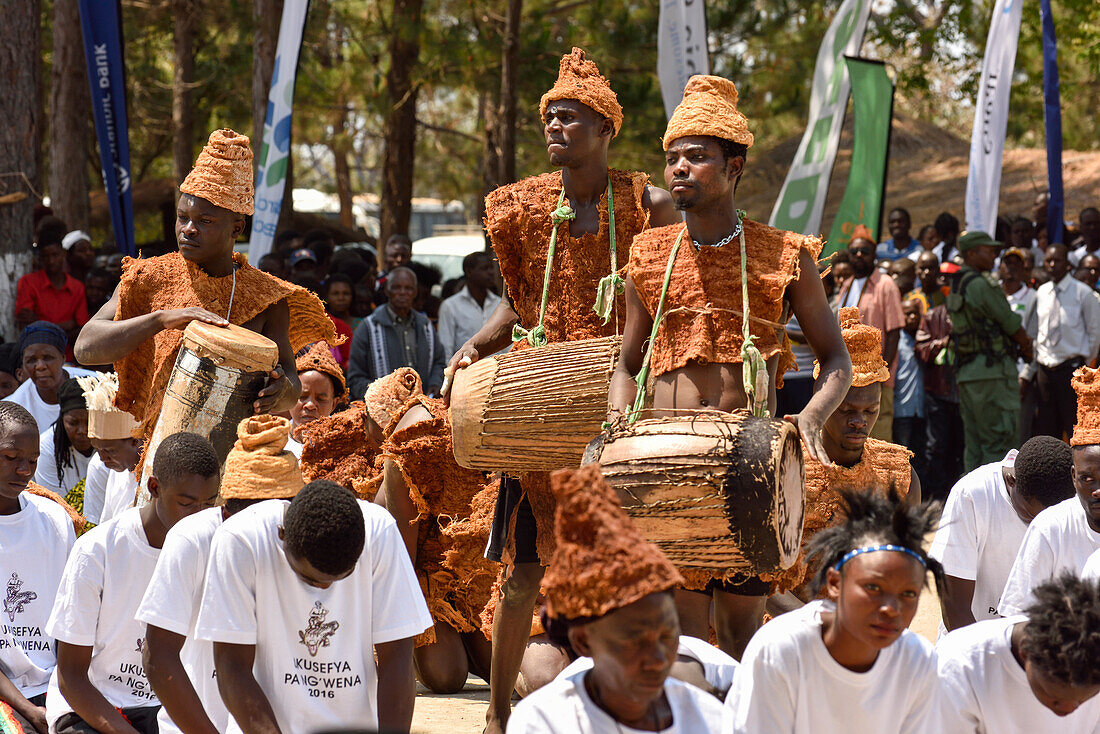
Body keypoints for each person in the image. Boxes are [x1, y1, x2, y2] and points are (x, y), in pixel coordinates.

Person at [445, 49, 680, 733]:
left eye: (569, 117)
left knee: (632, 560)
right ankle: (496, 716)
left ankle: (637, 698)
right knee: (522, 576)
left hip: (621, 405)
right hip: (541, 410)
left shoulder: (647, 204)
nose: (554, 125)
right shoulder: (522, 210)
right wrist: (476, 344)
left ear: (606, 130)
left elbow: (670, 294)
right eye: (549, 115)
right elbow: (518, 305)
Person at [607, 76, 850, 657]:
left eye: (697, 157)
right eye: (671, 159)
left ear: (735, 165)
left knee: (743, 639)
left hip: (748, 468)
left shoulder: (786, 255)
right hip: (665, 467)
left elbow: (836, 360)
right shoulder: (647, 253)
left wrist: (810, 418)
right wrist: (620, 425)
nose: (678, 170)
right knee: (686, 642)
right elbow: (626, 364)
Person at [73, 129, 337, 461]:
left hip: (233, 460)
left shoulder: (267, 297)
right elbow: (85, 348)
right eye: (183, 217)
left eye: (205, 220)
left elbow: (291, 385)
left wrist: (279, 392)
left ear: (236, 229)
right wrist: (161, 319)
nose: (189, 228)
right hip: (156, 456)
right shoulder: (147, 277)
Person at [195, 479, 431, 733]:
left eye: (342, 576)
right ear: (283, 537)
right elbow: (232, 666)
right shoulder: (240, 540)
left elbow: (397, 655)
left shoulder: (379, 531)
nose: (325, 589)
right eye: (309, 579)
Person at [507, 464, 723, 733]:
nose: (657, 659)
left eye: (667, 635)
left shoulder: (709, 716)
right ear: (584, 641)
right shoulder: (546, 721)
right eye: (634, 641)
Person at [724, 489, 943, 733]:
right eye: (873, 588)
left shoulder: (918, 660)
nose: (891, 609)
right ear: (835, 583)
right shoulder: (782, 650)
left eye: (908, 594)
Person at [44, 432, 220, 734]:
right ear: (154, 487)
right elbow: (71, 678)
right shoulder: (98, 550)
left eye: (209, 504)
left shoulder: (216, 548)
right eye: (187, 503)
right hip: (92, 706)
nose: (199, 517)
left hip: (167, 709)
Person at [138, 415, 303, 734]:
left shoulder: (301, 534)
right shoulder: (191, 539)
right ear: (227, 512)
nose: (268, 533)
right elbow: (158, 656)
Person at [766, 308, 919, 601]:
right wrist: (820, 626)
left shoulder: (900, 475)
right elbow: (760, 583)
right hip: (789, 628)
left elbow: (903, 572)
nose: (859, 421)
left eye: (870, 410)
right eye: (847, 410)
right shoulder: (784, 466)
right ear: (820, 401)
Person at [379, 391, 499, 694]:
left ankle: (465, 639)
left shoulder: (502, 437)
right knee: (446, 677)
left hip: (470, 571)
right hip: (421, 569)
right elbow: (400, 557)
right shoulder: (419, 440)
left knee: (495, 667)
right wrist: (397, 648)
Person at [930, 436, 1074, 633]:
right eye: (1029, 515)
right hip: (969, 645)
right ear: (1011, 479)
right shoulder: (972, 495)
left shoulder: (1075, 508)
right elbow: (955, 607)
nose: (1037, 527)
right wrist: (990, 660)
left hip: (1035, 651)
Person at [0, 402, 79, 734]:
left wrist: (63, 698)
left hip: (62, 686)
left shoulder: (55, 521)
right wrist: (30, 711)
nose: (24, 470)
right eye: (10, 457)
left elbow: (74, 620)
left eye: (32, 461)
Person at [937, 572, 1100, 730]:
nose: (1068, 709)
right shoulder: (957, 667)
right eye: (1054, 698)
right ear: (1025, 651)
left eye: (1082, 701)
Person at [1000, 365, 1100, 616]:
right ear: (1073, 478)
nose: (1098, 490)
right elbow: (1016, 619)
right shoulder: (1051, 527)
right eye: (1088, 479)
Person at [949, 230, 1034, 470]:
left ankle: (969, 503)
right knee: (1000, 442)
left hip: (968, 373)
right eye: (988, 250)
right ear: (972, 253)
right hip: (992, 373)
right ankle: (995, 503)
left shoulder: (958, 282)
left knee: (974, 444)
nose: (994, 256)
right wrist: (1027, 348)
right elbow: (1010, 322)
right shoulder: (982, 284)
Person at [836, 225, 904, 441]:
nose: (858, 255)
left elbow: (894, 333)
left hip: (876, 379)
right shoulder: (846, 285)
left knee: (879, 437)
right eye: (854, 251)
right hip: (848, 379)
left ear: (874, 255)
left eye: (864, 251)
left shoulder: (885, 285)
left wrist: (880, 374)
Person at [1032, 243, 1100, 441]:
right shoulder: (1042, 292)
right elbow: (1038, 330)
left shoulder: (1083, 293)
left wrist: (1085, 366)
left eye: (1057, 260)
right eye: (1048, 261)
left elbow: (1094, 332)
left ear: (1068, 264)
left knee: (1074, 428)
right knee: (1046, 429)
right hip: (1045, 369)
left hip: (1071, 369)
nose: (1052, 265)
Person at [347, 267, 446, 398]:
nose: (402, 292)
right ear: (387, 291)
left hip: (423, 408)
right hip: (384, 411)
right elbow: (356, 377)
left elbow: (438, 363)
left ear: (415, 292)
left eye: (408, 288)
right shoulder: (369, 327)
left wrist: (435, 384)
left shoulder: (425, 326)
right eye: (397, 288)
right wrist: (381, 397)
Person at [915, 284, 965, 502]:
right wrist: (941, 343)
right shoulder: (933, 315)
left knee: (961, 446)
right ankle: (937, 497)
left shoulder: (969, 317)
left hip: (964, 395)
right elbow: (921, 347)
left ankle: (957, 495)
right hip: (939, 392)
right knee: (936, 446)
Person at [76, 372, 142, 526]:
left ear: (134, 440)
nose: (102, 458)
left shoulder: (157, 472)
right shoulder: (112, 471)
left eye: (110, 451)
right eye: (97, 450)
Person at [15, 230, 88, 352]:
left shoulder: (77, 287)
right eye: (46, 256)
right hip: (36, 351)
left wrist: (40, 322)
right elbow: (27, 324)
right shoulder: (28, 282)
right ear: (40, 258)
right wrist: (67, 325)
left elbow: (82, 328)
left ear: (63, 253)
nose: (51, 261)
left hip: (68, 355)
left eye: (55, 255)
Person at [286, 342, 347, 458]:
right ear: (290, 396)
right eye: (302, 397)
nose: (310, 405)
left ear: (334, 404)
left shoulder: (343, 445)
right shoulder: (274, 441)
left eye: (321, 399)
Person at [33, 379, 92, 497]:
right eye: (73, 423)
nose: (82, 431)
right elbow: (54, 504)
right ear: (62, 419)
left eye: (90, 422)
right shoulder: (46, 448)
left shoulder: (113, 442)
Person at [437, 251, 502, 358]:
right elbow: (446, 349)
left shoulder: (499, 304)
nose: (491, 272)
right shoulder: (450, 306)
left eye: (491, 268)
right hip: (466, 370)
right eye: (484, 268)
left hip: (499, 370)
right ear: (469, 272)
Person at [6, 323, 70, 431]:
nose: (40, 366)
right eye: (31, 360)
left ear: (63, 359)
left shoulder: (94, 386)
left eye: (48, 357)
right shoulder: (12, 410)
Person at [892, 298, 925, 462]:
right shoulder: (896, 342)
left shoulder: (924, 339)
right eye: (907, 314)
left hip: (922, 409)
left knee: (921, 454)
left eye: (915, 313)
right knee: (904, 455)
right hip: (902, 408)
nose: (912, 317)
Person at [374, 234, 413, 305]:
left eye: (404, 256)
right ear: (385, 257)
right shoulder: (378, 281)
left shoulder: (416, 281)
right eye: (394, 255)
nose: (399, 259)